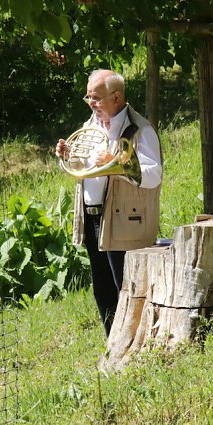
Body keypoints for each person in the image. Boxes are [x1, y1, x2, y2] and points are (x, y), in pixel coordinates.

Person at [55, 69, 163, 337]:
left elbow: (153, 175)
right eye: (88, 98)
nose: (92, 104)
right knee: (102, 288)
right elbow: (82, 165)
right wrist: (67, 155)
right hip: (93, 217)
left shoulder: (141, 130)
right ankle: (112, 342)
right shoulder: (91, 125)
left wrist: (118, 165)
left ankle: (134, 344)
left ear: (116, 97)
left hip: (125, 219)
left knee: (125, 288)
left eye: (97, 99)